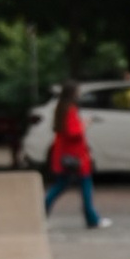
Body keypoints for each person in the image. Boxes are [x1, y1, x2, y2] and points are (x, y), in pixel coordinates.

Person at [43, 84, 103, 229]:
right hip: (75, 156)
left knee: (61, 185)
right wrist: (85, 124)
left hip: (65, 154)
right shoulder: (70, 110)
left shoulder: (61, 109)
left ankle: (41, 211)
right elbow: (74, 132)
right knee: (85, 185)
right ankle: (92, 219)